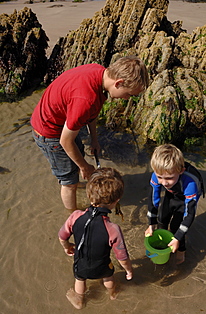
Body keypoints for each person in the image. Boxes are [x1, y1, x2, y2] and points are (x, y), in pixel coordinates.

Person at [31, 56, 149, 212]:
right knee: (68, 181)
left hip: (64, 122)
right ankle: (72, 215)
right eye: (128, 94)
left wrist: (94, 139)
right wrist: (84, 166)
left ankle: (76, 178)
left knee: (77, 156)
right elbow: (65, 141)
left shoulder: (99, 73)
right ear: (118, 83)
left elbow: (91, 113)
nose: (126, 99)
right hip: (49, 131)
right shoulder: (85, 99)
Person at [58, 167, 133, 309]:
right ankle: (112, 294)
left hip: (80, 263)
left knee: (79, 279)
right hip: (102, 265)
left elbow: (62, 235)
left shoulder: (75, 216)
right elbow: (122, 256)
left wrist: (66, 246)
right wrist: (128, 270)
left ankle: (79, 300)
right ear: (117, 200)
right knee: (109, 278)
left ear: (88, 194)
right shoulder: (113, 229)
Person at [145, 144, 203, 265]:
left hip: (186, 196)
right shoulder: (158, 176)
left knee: (176, 227)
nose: (164, 183)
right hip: (173, 192)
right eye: (160, 177)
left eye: (169, 178)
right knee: (162, 219)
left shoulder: (190, 183)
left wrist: (177, 237)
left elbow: (190, 214)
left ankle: (181, 250)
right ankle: (164, 245)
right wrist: (151, 223)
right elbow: (152, 199)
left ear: (181, 171)